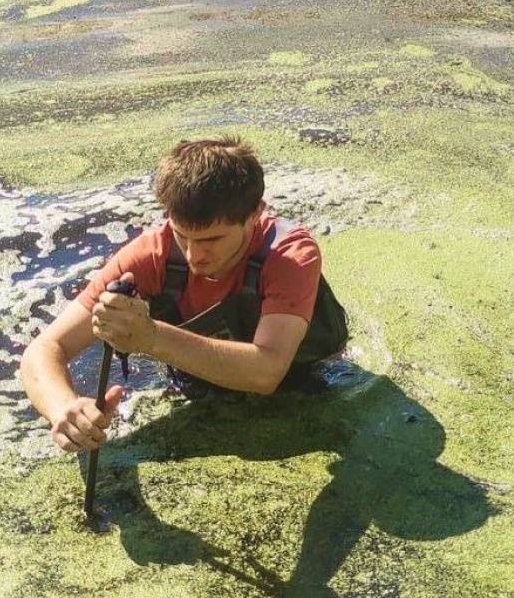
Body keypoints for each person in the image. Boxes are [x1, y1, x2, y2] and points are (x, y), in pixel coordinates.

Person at [20, 137, 349, 453]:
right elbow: (45, 348)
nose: (194, 256)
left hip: (312, 379)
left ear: (254, 213)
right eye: (182, 236)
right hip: (200, 390)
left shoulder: (290, 256)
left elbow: (267, 372)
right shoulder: (150, 255)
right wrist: (64, 409)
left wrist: (149, 337)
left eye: (212, 240)